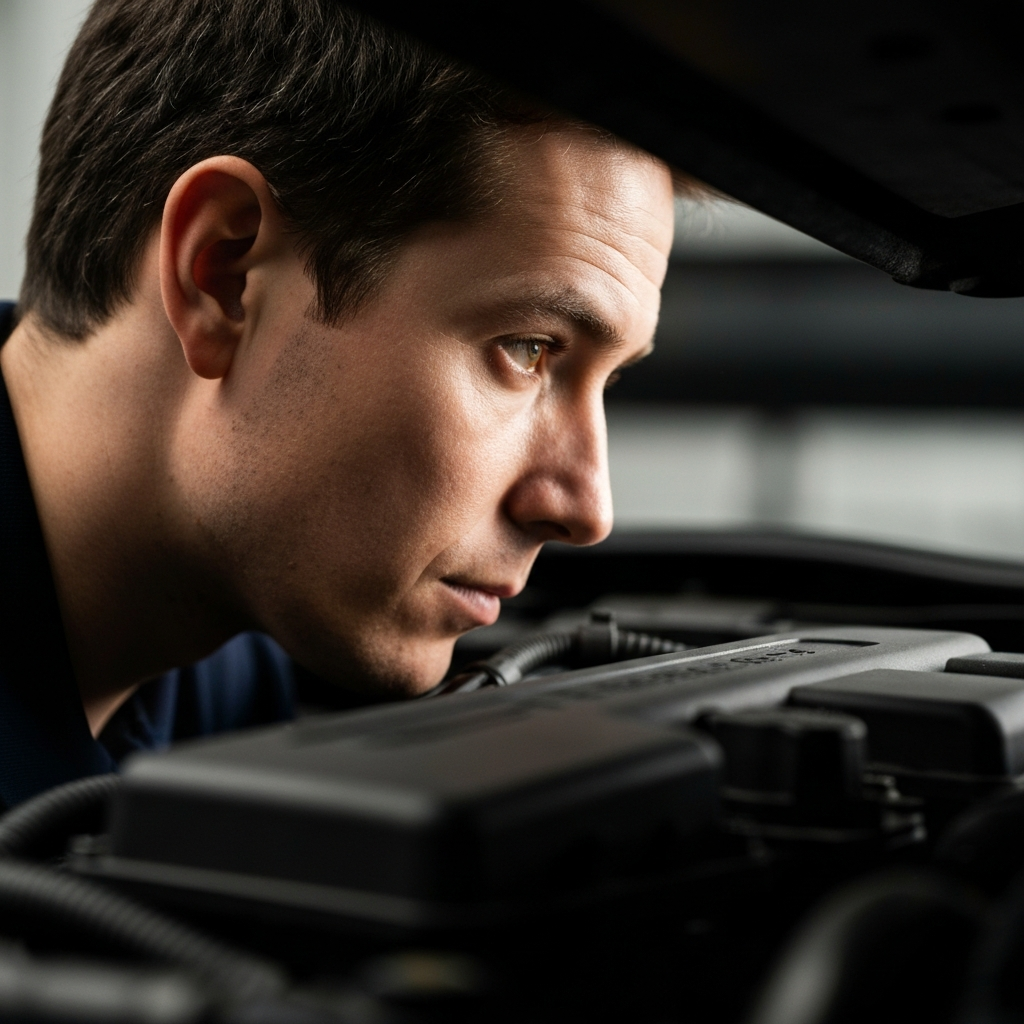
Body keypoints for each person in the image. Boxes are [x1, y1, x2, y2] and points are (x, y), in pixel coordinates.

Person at [0, 0, 677, 808]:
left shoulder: (232, 645)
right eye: (528, 350)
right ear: (224, 274)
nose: (584, 508)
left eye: (610, 381)